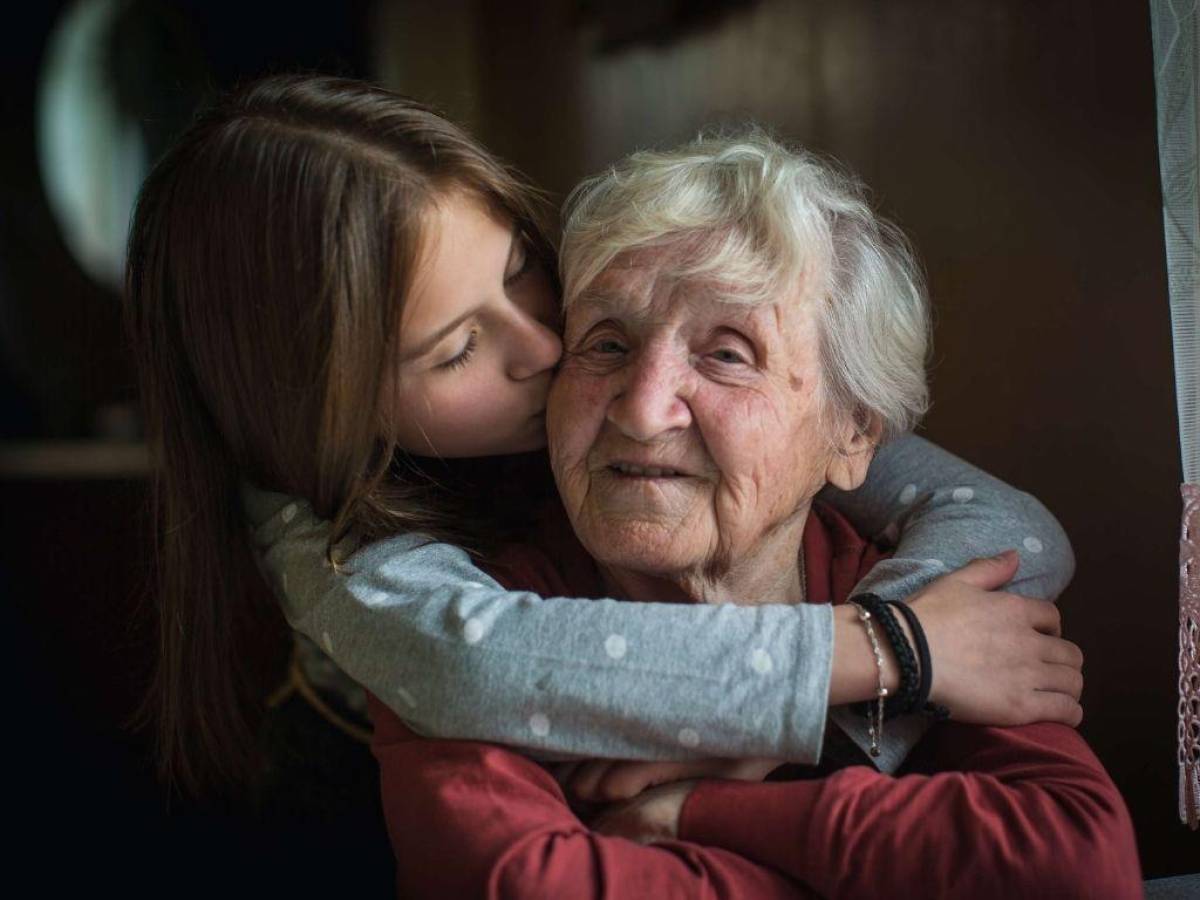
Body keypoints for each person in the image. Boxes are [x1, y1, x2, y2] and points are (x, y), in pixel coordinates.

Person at [125, 74, 1079, 800]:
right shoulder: (331, 544)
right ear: (324, 412)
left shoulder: (650, 396)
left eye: (520, 271)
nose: (548, 345)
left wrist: (853, 717)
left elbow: (1010, 528)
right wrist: (886, 652)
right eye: (459, 348)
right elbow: (479, 664)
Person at [366, 130, 1141, 898]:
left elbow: (1074, 865)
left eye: (727, 354)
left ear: (853, 433)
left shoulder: (930, 601)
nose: (641, 410)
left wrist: (699, 813)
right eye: (605, 344)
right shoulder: (474, 628)